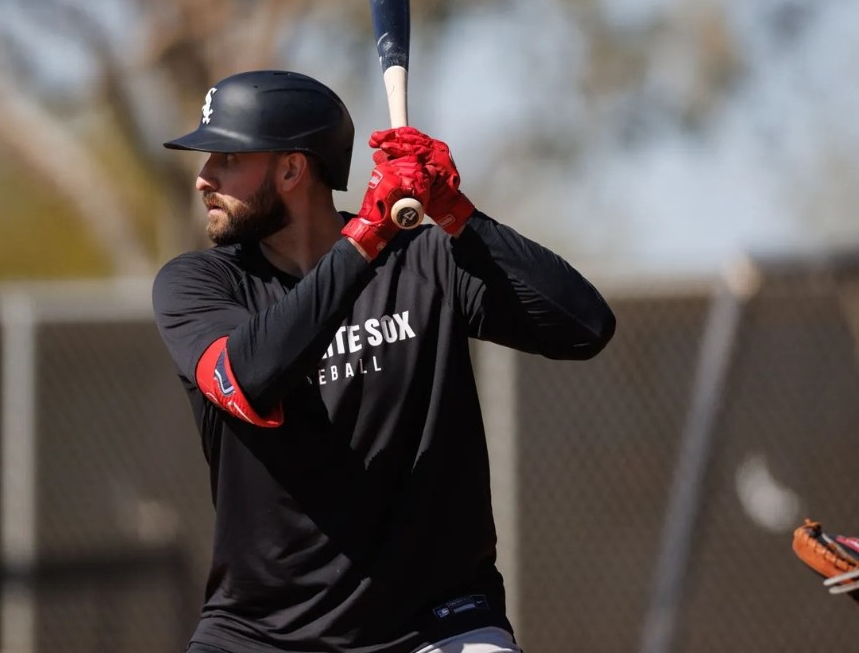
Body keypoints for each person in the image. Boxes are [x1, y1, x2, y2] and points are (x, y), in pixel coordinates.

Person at [151, 69, 616, 653]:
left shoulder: (422, 258)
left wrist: (459, 215)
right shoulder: (199, 284)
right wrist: (365, 238)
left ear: (293, 170)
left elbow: (584, 326)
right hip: (262, 633)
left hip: (435, 621)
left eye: (225, 158)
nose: (202, 179)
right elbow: (248, 378)